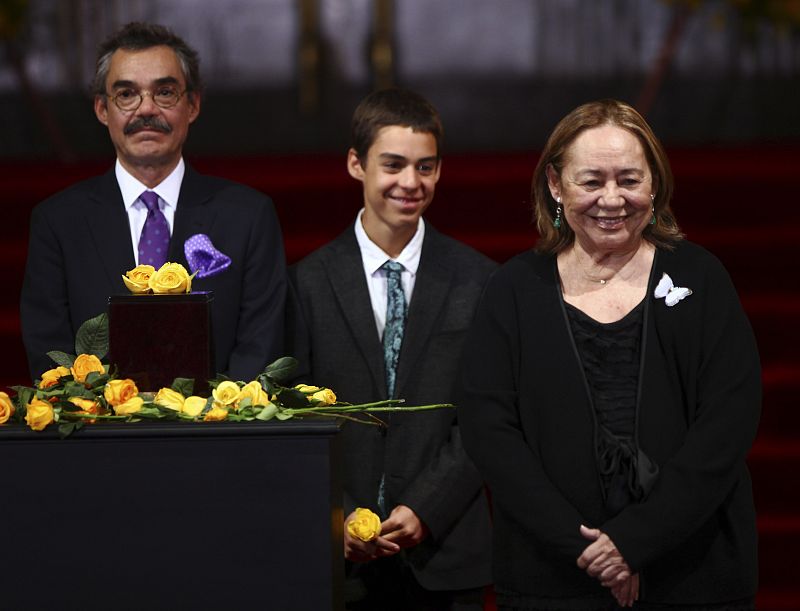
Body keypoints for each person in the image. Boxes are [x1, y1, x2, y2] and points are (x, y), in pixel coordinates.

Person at [457, 99, 760, 610]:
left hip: (692, 571)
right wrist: (586, 549)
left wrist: (634, 541)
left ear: (654, 183)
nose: (612, 199)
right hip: (551, 575)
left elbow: (727, 423)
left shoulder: (700, 278)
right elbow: (489, 430)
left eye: (629, 180)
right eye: (591, 181)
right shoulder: (513, 289)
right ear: (555, 185)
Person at [286, 88, 495, 610]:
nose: (411, 183)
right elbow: (292, 409)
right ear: (356, 164)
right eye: (394, 165)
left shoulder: (479, 280)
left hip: (445, 553)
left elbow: (488, 415)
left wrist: (426, 507)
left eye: (425, 167)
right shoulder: (306, 283)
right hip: (339, 557)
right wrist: (342, 515)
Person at [20, 22, 286, 382]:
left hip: (218, 432)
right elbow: (49, 352)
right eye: (126, 94)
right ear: (102, 109)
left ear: (192, 105)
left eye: (164, 92)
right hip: (98, 435)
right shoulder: (58, 222)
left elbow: (260, 348)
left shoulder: (249, 216)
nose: (146, 110)